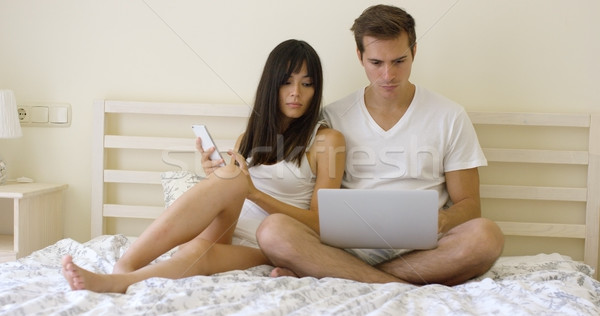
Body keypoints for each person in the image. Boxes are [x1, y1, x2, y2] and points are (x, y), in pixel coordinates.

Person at [61, 39, 346, 293]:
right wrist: (216, 177)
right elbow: (234, 194)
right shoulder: (248, 138)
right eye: (287, 82)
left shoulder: (327, 141)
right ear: (271, 85)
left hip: (270, 243)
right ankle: (125, 266)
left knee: (199, 248)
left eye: (306, 83)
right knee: (228, 177)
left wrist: (254, 193)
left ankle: (118, 283)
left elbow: (320, 224)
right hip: (228, 228)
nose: (296, 92)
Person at [256, 5, 505, 286]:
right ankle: (377, 277)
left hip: (421, 250)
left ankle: (347, 275)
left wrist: (443, 221)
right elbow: (296, 181)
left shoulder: (450, 116)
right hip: (342, 246)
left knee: (487, 236)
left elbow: (470, 205)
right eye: (376, 63)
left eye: (399, 61)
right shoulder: (332, 116)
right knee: (272, 231)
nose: (388, 75)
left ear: (414, 52)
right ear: (360, 56)